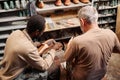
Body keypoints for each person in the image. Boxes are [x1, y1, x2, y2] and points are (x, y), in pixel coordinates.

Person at [63, 6, 120, 80]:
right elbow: (118, 50)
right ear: (96, 19)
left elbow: (66, 58)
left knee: (66, 65)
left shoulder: (77, 41)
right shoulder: (111, 33)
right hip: (101, 74)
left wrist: (69, 46)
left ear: (82, 22)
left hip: (83, 78)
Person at [0, 15, 58, 80]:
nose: (42, 33)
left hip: (6, 69)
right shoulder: (28, 49)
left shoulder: (16, 33)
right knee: (54, 67)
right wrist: (53, 50)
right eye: (42, 32)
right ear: (37, 32)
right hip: (13, 76)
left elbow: (24, 44)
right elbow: (44, 66)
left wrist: (41, 44)